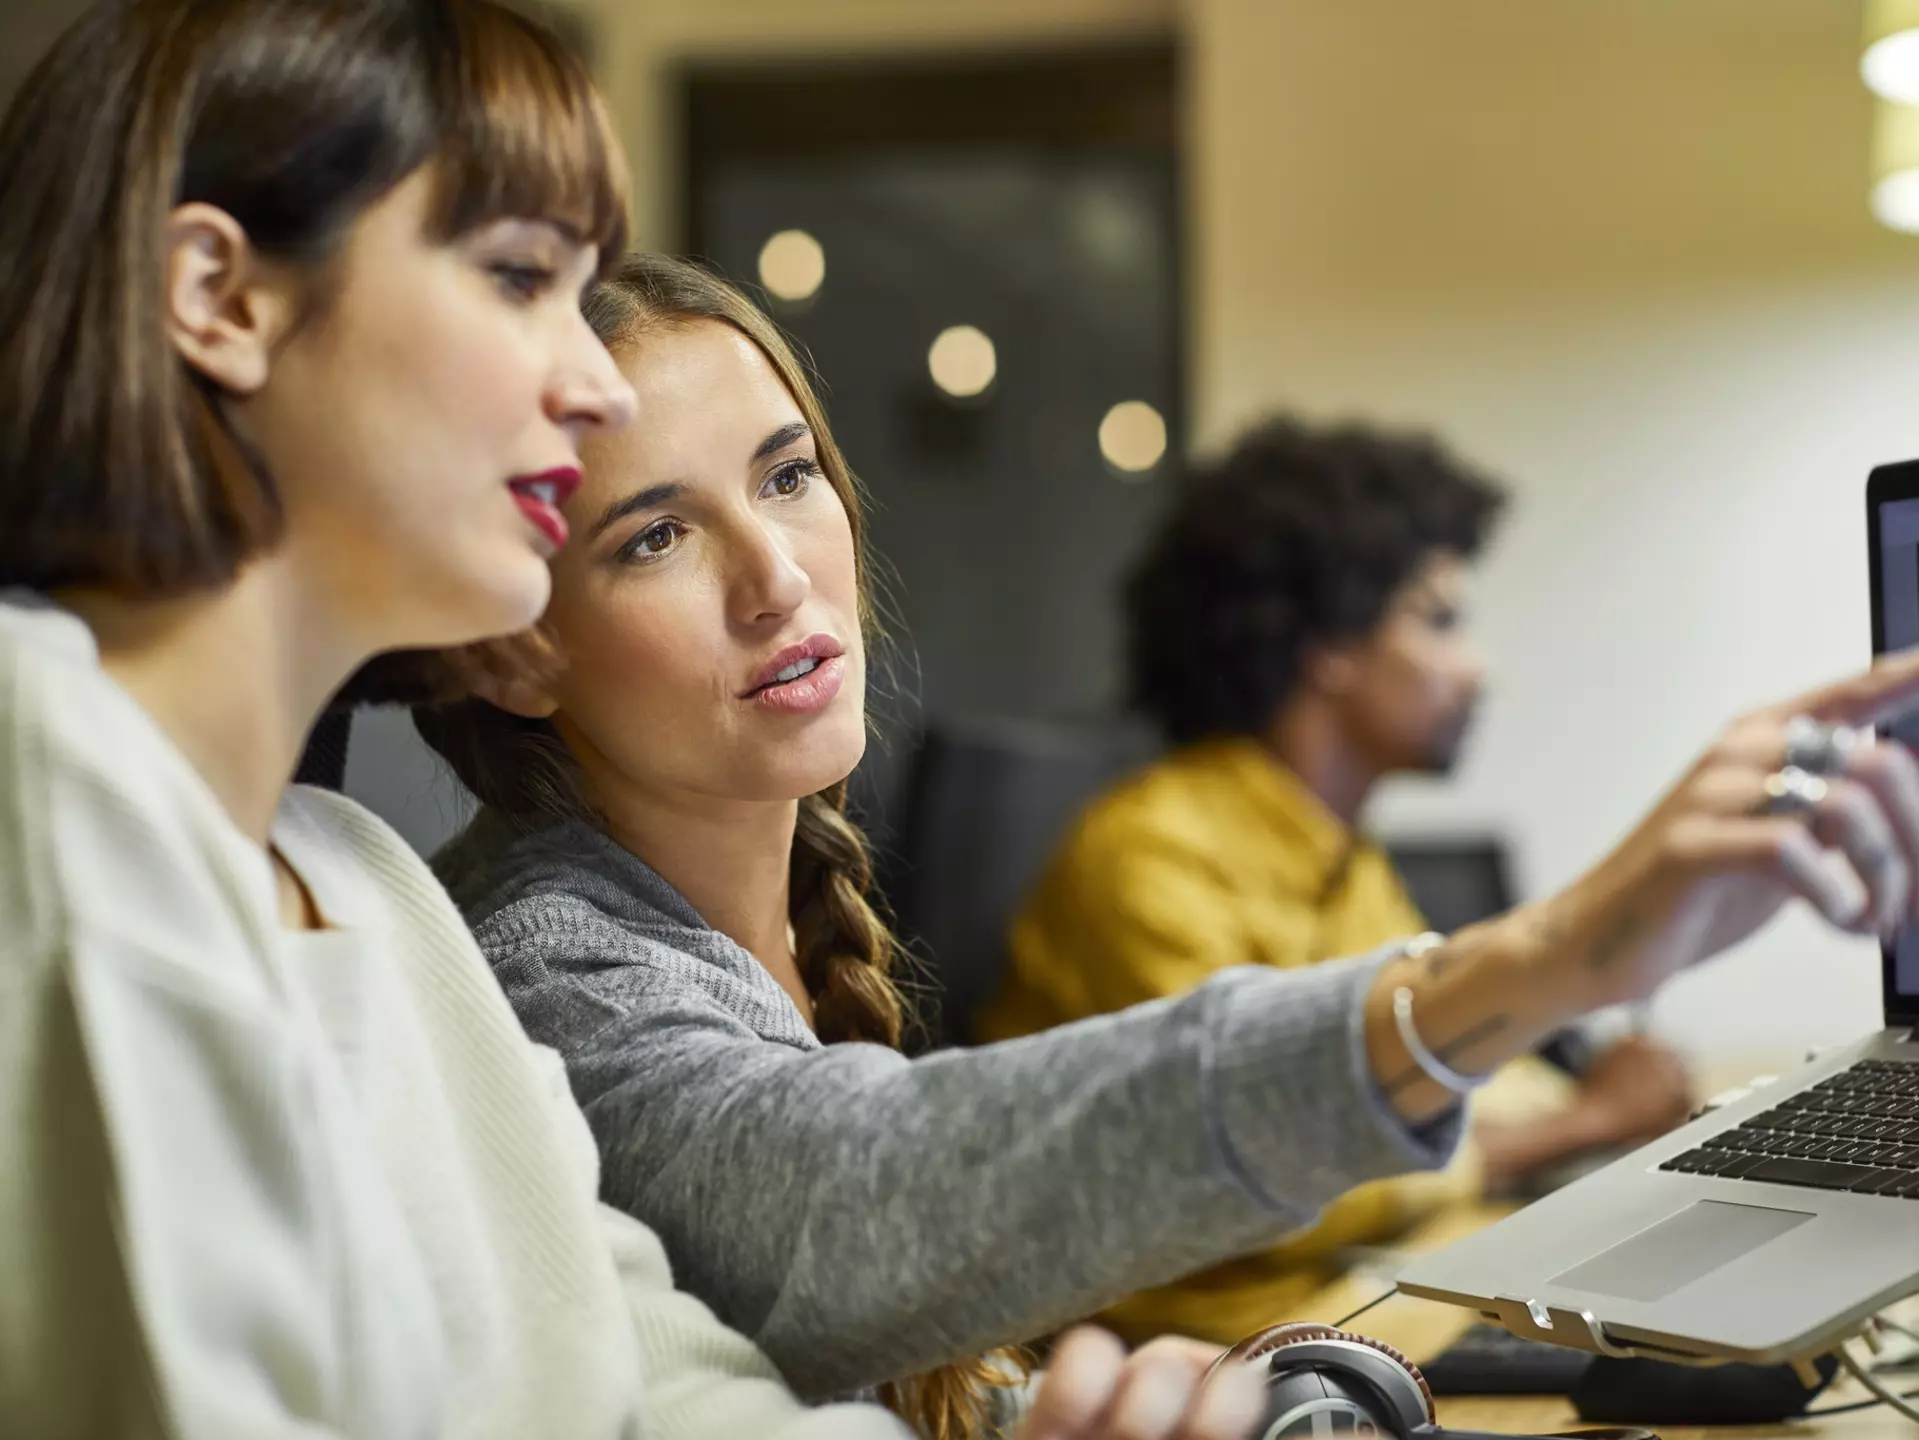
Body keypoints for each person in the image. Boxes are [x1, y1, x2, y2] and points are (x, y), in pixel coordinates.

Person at [0, 6, 1266, 1440]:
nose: (591, 378)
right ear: (220, 299)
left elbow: (651, 1395)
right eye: (519, 276)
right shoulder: (45, 786)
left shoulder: (362, 883)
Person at [410, 252, 1919, 1430]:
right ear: (510, 650)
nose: (774, 578)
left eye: (788, 475)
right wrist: (1543, 959)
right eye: (653, 535)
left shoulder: (755, 929)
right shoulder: (543, 968)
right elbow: (856, 1203)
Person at [975, 419, 1696, 1344]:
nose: (1476, 669)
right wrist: (1582, 1120)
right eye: (1437, 621)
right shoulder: (1145, 859)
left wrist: (1612, 1106)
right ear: (1328, 649)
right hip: (1213, 1352)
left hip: (1352, 1294)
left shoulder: (1337, 856)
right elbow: (1263, 1168)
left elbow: (1453, 1065)